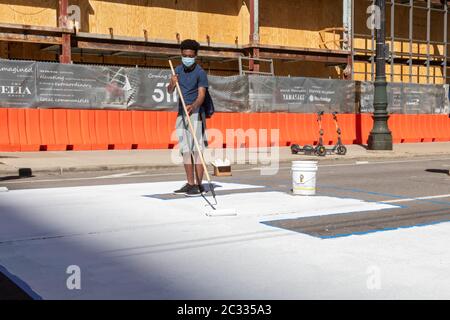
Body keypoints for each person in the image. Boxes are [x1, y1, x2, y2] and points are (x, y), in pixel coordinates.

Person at [168, 39, 209, 197]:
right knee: (185, 150)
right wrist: (172, 83)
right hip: (181, 114)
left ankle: (199, 185)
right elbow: (170, 90)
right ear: (181, 54)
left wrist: (194, 106)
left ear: (195, 56)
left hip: (196, 115)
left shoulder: (200, 73)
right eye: (184, 55)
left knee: (196, 151)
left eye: (190, 56)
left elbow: (202, 95)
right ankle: (190, 183)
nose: (187, 58)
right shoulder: (177, 70)